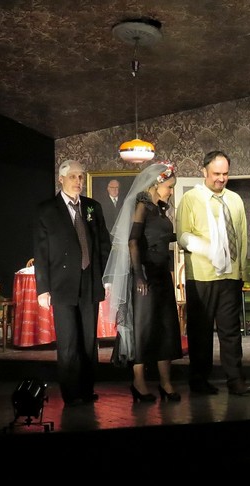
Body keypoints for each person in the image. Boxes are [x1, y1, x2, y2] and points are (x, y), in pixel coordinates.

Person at [102, 161, 183, 403]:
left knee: (166, 327)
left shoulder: (160, 209)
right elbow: (133, 241)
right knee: (144, 328)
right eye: (169, 187)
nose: (171, 191)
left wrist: (185, 238)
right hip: (145, 276)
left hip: (161, 274)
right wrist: (139, 274)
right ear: (156, 184)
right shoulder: (142, 206)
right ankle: (139, 382)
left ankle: (166, 382)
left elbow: (161, 236)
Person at [33, 159, 111, 407]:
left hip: (89, 280)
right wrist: (43, 289)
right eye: (73, 177)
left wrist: (106, 276)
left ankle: (87, 390)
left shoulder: (92, 207)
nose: (78, 181)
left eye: (80, 177)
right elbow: (41, 252)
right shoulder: (47, 210)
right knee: (68, 342)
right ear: (61, 179)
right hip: (62, 283)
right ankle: (71, 392)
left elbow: (103, 244)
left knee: (88, 341)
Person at [175, 150, 250, 396]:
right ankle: (199, 380)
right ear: (204, 172)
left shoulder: (235, 199)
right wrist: (207, 249)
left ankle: (235, 380)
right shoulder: (191, 198)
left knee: (231, 331)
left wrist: (241, 271)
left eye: (225, 174)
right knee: (201, 331)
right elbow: (183, 235)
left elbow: (241, 236)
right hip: (202, 275)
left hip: (230, 274)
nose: (221, 178)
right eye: (216, 173)